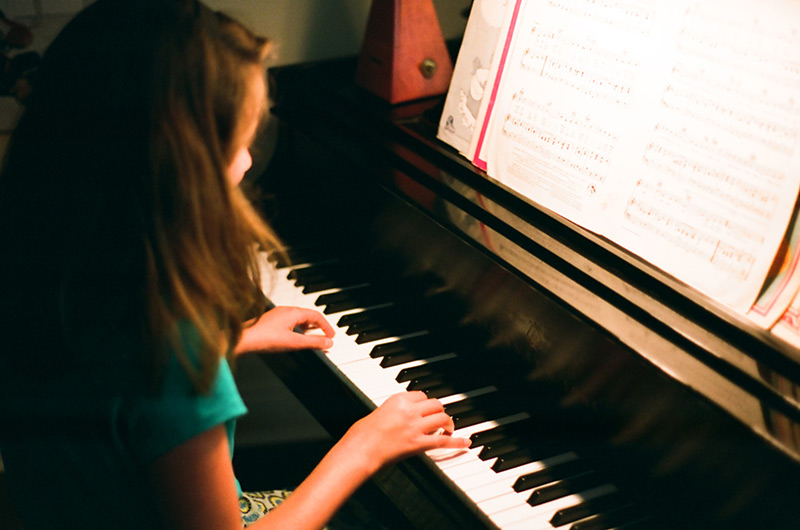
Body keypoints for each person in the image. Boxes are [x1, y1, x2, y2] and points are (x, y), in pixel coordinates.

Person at [0, 1, 470, 529]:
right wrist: (364, 445)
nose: (247, 161)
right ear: (182, 171)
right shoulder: (176, 352)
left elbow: (112, 384)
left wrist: (234, 340)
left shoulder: (43, 274)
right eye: (238, 141)